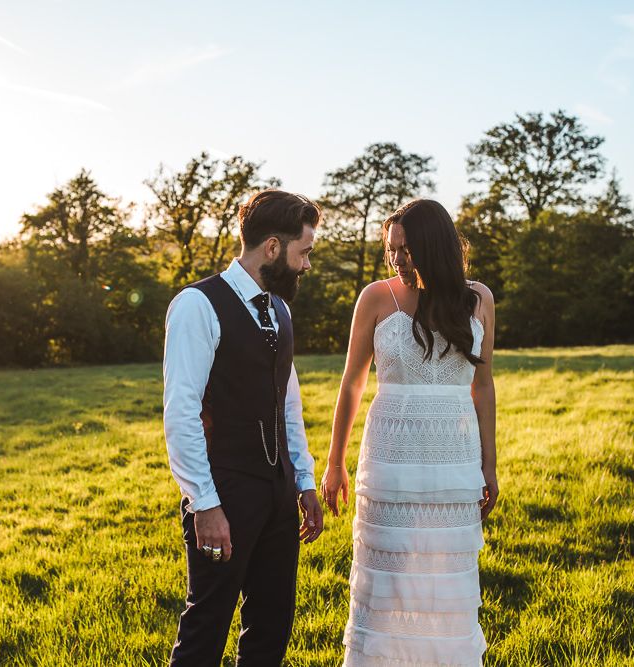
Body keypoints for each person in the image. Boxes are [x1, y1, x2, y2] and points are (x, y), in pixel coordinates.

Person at [321, 199, 498, 667]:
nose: (397, 259)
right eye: (392, 249)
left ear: (433, 247)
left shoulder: (478, 299)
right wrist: (335, 460)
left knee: (446, 582)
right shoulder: (376, 297)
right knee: (389, 581)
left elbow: (483, 385)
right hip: (389, 460)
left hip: (455, 460)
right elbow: (353, 381)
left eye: (406, 249)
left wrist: (490, 465)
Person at [163, 189, 324, 666]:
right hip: (225, 488)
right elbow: (180, 412)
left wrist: (304, 481)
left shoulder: (280, 310)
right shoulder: (198, 305)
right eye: (304, 252)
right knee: (206, 628)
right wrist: (205, 505)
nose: (307, 265)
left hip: (277, 491)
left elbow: (287, 405)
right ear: (273, 248)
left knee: (272, 626)